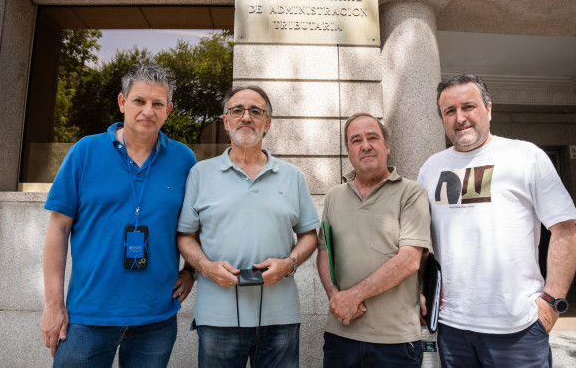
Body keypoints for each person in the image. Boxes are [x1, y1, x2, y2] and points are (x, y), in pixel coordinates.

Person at [417, 73, 576, 367]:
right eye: (450, 111)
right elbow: (419, 243)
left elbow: (566, 232)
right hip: (452, 328)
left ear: (489, 110)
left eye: (469, 107)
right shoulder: (431, 168)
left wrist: (551, 304)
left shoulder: (525, 156)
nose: (460, 118)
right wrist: (420, 291)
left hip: (518, 329)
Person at [40, 63, 197, 367]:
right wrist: (52, 305)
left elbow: (194, 224)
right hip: (87, 316)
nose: (148, 111)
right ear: (123, 102)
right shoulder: (85, 151)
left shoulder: (184, 159)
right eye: (139, 101)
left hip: (156, 318)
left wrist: (191, 270)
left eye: (157, 103)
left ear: (169, 110)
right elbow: (58, 230)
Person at [177, 85, 319, 368]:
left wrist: (289, 264)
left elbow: (309, 235)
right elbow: (185, 235)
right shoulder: (200, 174)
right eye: (237, 110)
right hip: (217, 317)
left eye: (256, 111)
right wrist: (206, 267)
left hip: (281, 317)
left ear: (267, 124)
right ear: (225, 120)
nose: (246, 117)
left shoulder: (292, 176)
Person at [316, 112, 432, 367]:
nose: (365, 145)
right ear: (349, 151)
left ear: (387, 146)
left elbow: (410, 260)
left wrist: (353, 297)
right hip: (340, 336)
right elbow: (324, 253)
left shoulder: (411, 193)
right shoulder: (334, 196)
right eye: (356, 140)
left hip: (396, 342)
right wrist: (336, 298)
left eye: (372, 137)